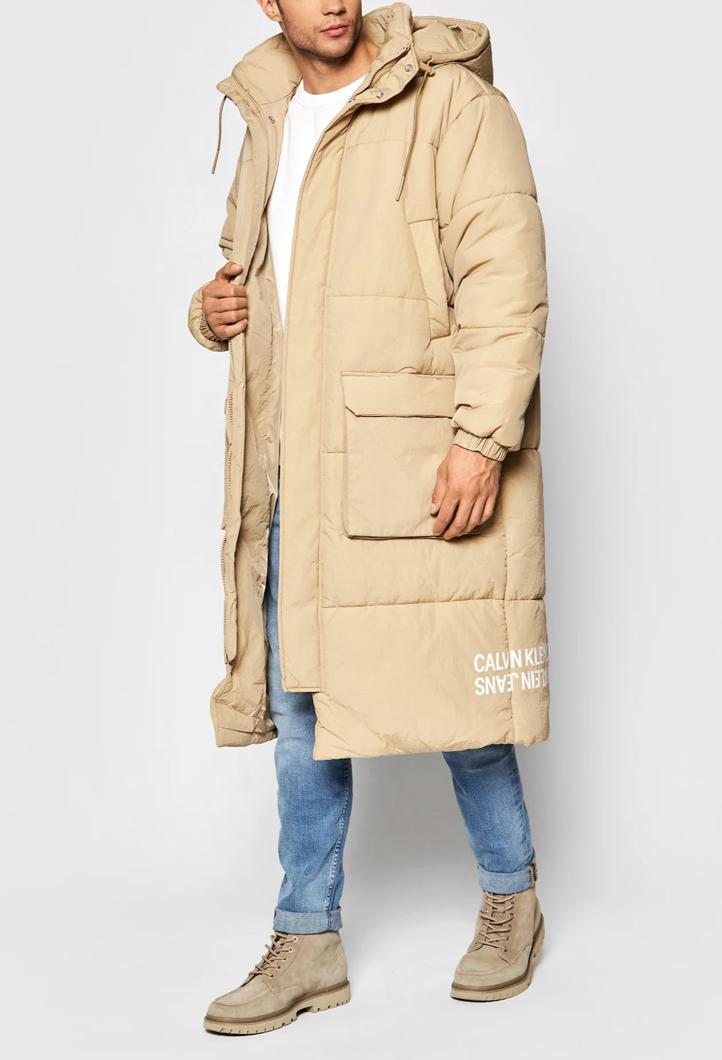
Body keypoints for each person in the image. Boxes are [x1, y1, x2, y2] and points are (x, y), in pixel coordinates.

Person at [188, 0, 549, 1036]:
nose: (335, 0)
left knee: (456, 693)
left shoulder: (455, 105)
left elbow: (506, 276)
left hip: (416, 455)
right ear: (269, 2)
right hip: (295, 466)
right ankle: (307, 936)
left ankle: (511, 898)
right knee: (299, 704)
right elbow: (263, 283)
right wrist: (209, 312)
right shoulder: (265, 117)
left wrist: (481, 439)